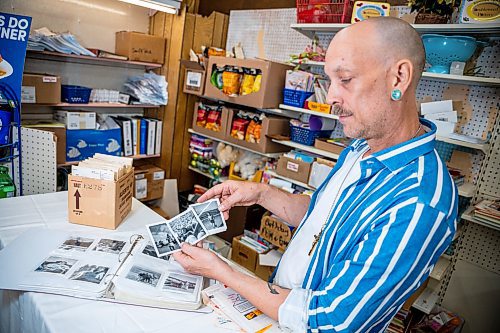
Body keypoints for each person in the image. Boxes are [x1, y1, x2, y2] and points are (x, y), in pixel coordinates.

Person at [173, 17, 457, 332]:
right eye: (329, 81)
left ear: (399, 77)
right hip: (277, 311)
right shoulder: (360, 147)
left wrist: (224, 272)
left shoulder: (420, 201)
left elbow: (332, 320)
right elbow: (322, 216)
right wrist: (261, 193)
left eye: (345, 79)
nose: (331, 97)